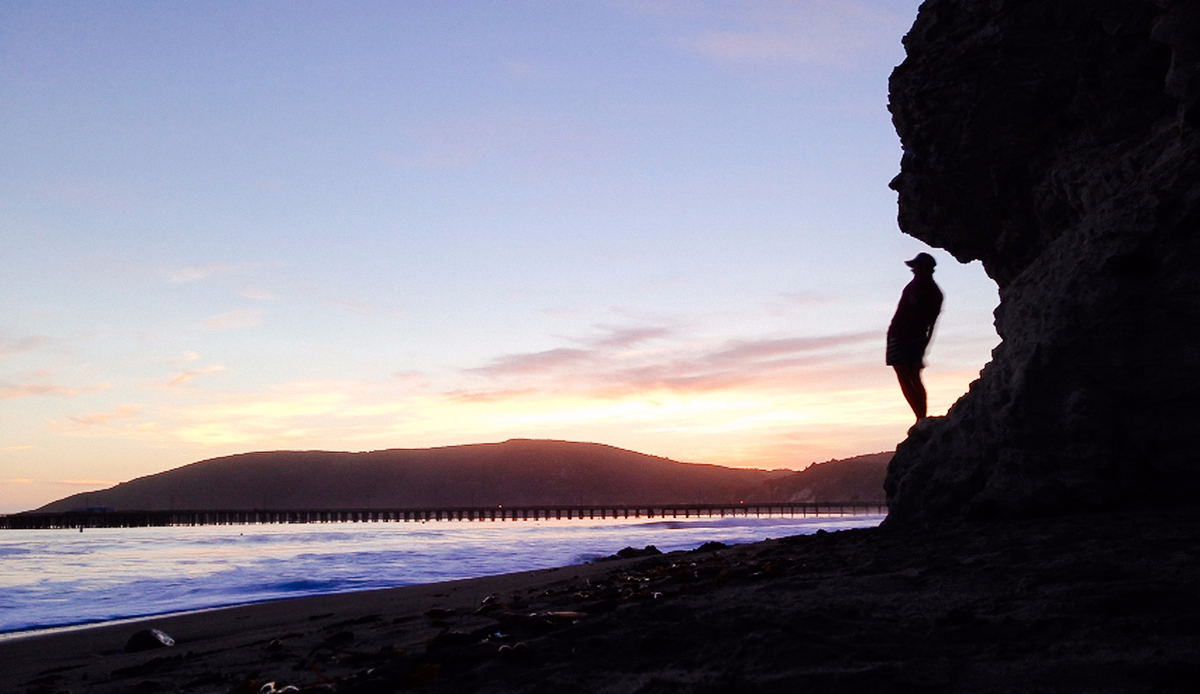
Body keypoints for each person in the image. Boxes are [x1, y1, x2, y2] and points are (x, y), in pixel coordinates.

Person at [887, 252, 943, 421]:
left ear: (923, 267)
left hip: (901, 335)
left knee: (904, 379)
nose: (913, 269)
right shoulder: (936, 292)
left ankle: (920, 418)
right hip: (918, 337)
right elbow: (933, 323)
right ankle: (921, 417)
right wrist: (926, 345)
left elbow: (913, 306)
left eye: (916, 266)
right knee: (914, 378)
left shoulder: (919, 284)